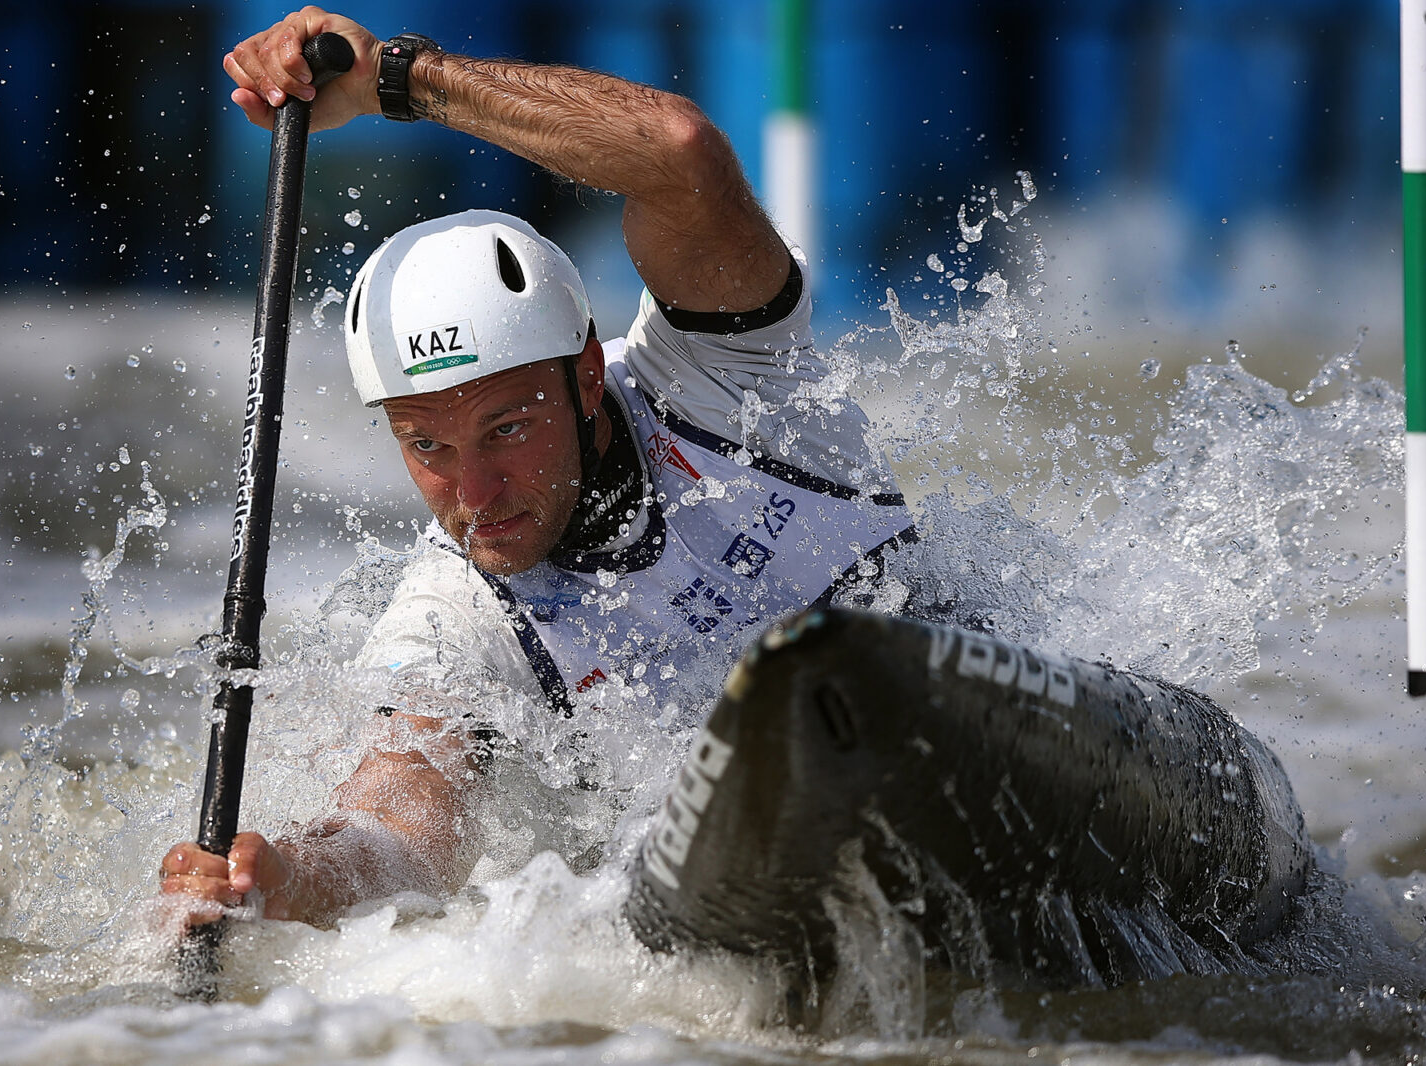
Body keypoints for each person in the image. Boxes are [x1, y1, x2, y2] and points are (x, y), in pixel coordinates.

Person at [159, 8, 913, 926]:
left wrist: (401, 79)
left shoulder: (725, 379)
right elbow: (396, 835)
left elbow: (677, 151)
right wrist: (284, 883)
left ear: (588, 374)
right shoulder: (456, 612)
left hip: (941, 690)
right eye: (427, 445)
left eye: (508, 428)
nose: (472, 497)